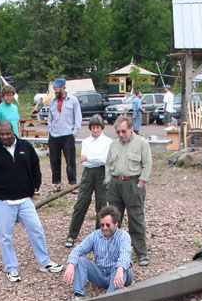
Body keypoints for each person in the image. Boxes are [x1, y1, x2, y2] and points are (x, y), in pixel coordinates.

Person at [0, 120, 63, 283]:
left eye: (8, 133)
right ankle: (11, 268)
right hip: (2, 201)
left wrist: (36, 184)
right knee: (5, 236)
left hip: (24, 199)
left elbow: (35, 166)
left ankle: (45, 262)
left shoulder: (25, 147)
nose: (5, 137)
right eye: (2, 134)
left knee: (37, 229)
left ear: (13, 132)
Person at [105, 114, 152, 266]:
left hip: (133, 184)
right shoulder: (113, 145)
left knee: (136, 219)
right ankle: (113, 251)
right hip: (115, 184)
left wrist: (141, 183)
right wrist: (108, 182)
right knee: (113, 219)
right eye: (118, 132)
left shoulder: (142, 143)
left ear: (131, 129)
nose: (121, 135)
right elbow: (107, 164)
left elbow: (147, 164)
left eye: (123, 131)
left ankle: (141, 253)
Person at [63, 205, 133, 297]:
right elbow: (78, 250)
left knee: (121, 267)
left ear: (116, 223)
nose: (104, 227)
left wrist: (120, 269)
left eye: (108, 225)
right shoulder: (95, 235)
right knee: (80, 261)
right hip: (101, 275)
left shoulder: (123, 236)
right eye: (102, 225)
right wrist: (71, 265)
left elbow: (125, 256)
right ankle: (78, 295)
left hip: (119, 275)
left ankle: (109, 298)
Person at [64, 115, 112, 248]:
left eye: (98, 127)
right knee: (81, 202)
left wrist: (90, 157)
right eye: (93, 127)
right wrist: (92, 158)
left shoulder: (108, 142)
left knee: (101, 205)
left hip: (102, 173)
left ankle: (100, 235)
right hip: (88, 173)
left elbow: (105, 159)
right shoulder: (86, 142)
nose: (95, 130)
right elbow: (83, 160)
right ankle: (72, 235)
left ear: (102, 128)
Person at [47, 77, 82, 190]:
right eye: (54, 89)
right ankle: (56, 184)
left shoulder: (73, 100)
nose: (55, 91)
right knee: (55, 161)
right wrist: (50, 130)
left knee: (70, 161)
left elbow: (78, 117)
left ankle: (72, 184)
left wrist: (74, 132)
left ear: (63, 88)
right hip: (54, 136)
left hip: (68, 135)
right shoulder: (52, 101)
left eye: (56, 89)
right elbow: (49, 118)